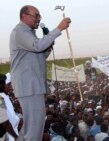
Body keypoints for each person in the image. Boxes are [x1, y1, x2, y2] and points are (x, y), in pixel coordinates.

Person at [9, 5, 71, 141]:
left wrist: (47, 49)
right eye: (36, 15)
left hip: (32, 86)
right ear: (24, 16)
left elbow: (39, 56)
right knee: (34, 131)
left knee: (30, 129)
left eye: (39, 16)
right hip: (29, 87)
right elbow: (37, 46)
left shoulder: (29, 33)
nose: (39, 18)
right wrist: (59, 28)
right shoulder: (20, 31)